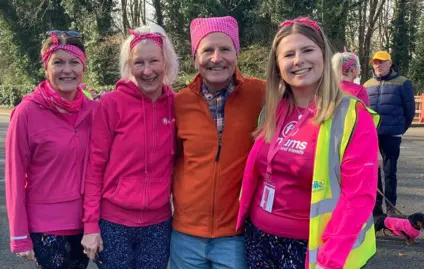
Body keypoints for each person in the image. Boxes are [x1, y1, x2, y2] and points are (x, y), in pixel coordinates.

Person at [236, 17, 379, 269]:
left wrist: (330, 259)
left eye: (307, 50)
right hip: (259, 239)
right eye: (288, 54)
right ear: (277, 65)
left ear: (324, 55)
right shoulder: (272, 110)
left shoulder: (351, 115)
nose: (298, 60)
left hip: (314, 249)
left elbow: (358, 197)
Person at [80, 23, 179, 269]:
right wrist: (91, 225)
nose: (147, 71)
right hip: (114, 222)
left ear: (165, 62)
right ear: (129, 66)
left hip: (158, 223)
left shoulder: (177, 105)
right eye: (139, 63)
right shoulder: (111, 104)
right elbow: (94, 168)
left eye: (154, 61)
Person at [171, 16, 266, 269]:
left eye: (225, 49)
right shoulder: (179, 103)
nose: (216, 58)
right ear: (195, 57)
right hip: (186, 236)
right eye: (207, 50)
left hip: (235, 236)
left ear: (237, 53)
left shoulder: (263, 94)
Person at [5, 30, 96, 269]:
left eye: (74, 62)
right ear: (46, 67)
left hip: (86, 224)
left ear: (83, 67)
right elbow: (14, 177)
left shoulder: (93, 109)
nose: (67, 70)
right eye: (58, 62)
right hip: (46, 229)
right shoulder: (26, 112)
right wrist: (19, 235)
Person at [364, 51, 416, 217]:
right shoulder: (367, 85)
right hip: (371, 136)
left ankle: (391, 206)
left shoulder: (403, 83)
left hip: (391, 135)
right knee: (373, 172)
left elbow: (409, 111)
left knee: (389, 171)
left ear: (389, 63)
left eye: (381, 62)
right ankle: (377, 208)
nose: (378, 65)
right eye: (375, 63)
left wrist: (399, 129)